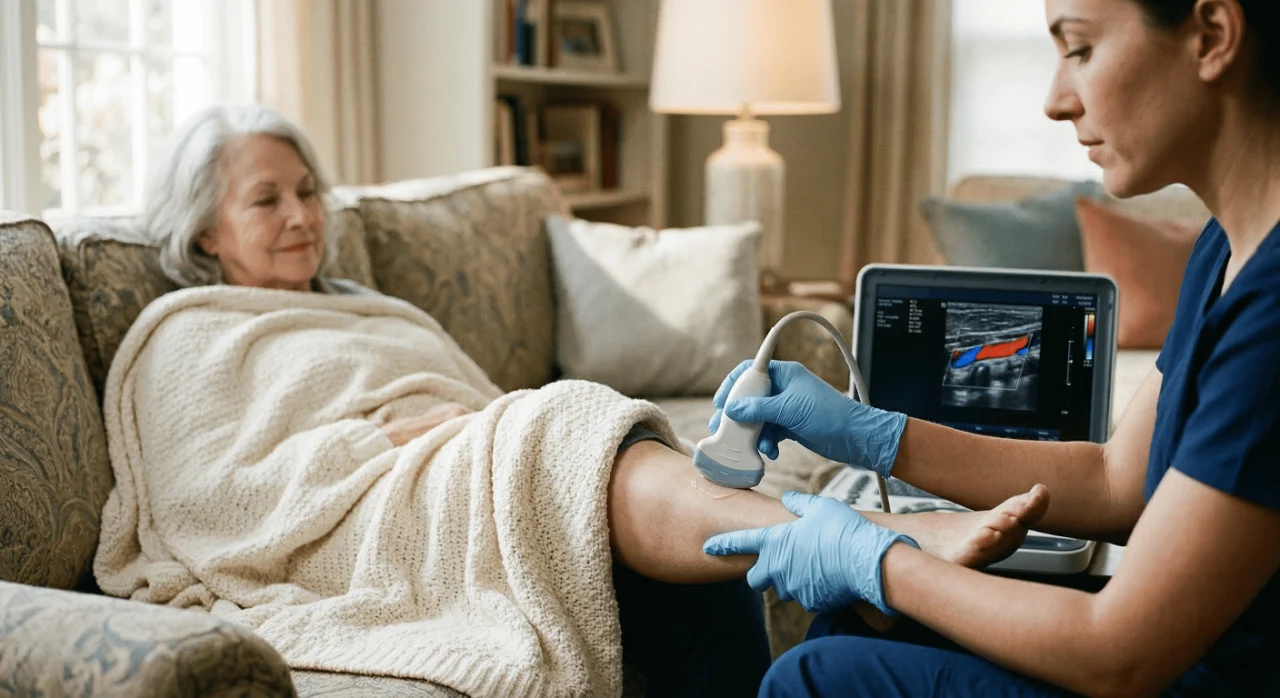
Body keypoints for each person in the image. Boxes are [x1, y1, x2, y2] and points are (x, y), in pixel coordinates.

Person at [126, 103, 1050, 696]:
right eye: (266, 202)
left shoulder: (371, 307)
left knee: (682, 563)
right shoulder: (188, 333)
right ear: (206, 230)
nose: (300, 218)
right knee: (564, 425)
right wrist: (393, 453)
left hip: (464, 467)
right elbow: (229, 494)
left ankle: (845, 547)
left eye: (307, 192)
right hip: (371, 508)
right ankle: (880, 543)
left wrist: (475, 427)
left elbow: (471, 397)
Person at [705, 0, 1280, 695]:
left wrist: (880, 561)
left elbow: (1121, 652)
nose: (1053, 101)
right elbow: (1115, 483)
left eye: (1079, 49)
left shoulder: (1272, 305)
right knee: (849, 628)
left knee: (818, 675)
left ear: (1212, 36)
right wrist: (867, 434)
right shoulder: (1225, 248)